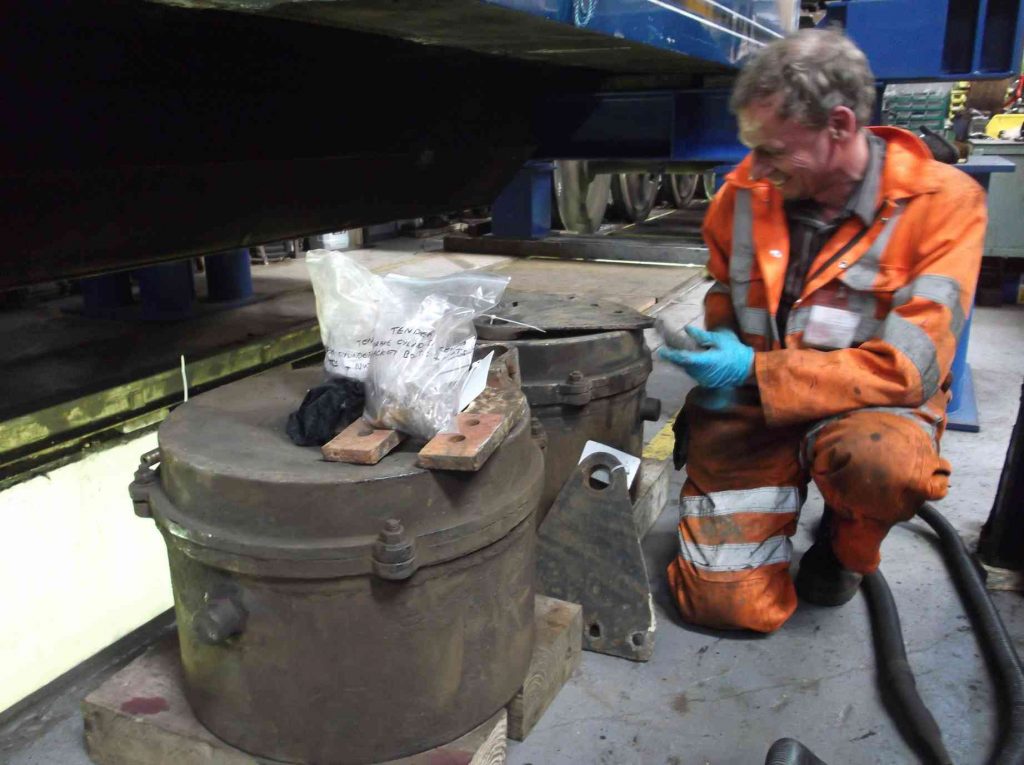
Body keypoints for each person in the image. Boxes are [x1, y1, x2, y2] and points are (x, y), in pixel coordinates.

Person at [659, 28, 987, 633]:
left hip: (873, 407)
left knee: (882, 463)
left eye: (774, 150)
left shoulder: (943, 203)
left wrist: (756, 370)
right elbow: (723, 290)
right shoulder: (743, 193)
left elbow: (911, 368)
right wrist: (724, 336)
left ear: (839, 126)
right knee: (725, 609)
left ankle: (845, 549)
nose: (756, 167)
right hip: (756, 403)